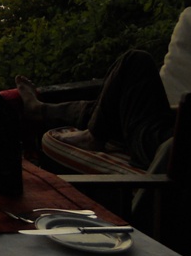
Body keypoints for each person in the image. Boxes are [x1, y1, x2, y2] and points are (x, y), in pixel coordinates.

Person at [16, 49, 176, 170]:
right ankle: (40, 109)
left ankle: (93, 136)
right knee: (109, 108)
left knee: (136, 60)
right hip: (170, 136)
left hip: (159, 144)